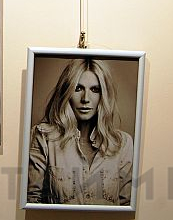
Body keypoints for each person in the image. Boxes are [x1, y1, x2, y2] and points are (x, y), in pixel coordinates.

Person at [27, 58, 133, 205]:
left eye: (94, 90)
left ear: (104, 95)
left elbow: (126, 206)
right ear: (66, 92)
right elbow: (32, 200)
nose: (85, 99)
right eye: (78, 88)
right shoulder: (44, 137)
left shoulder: (123, 143)